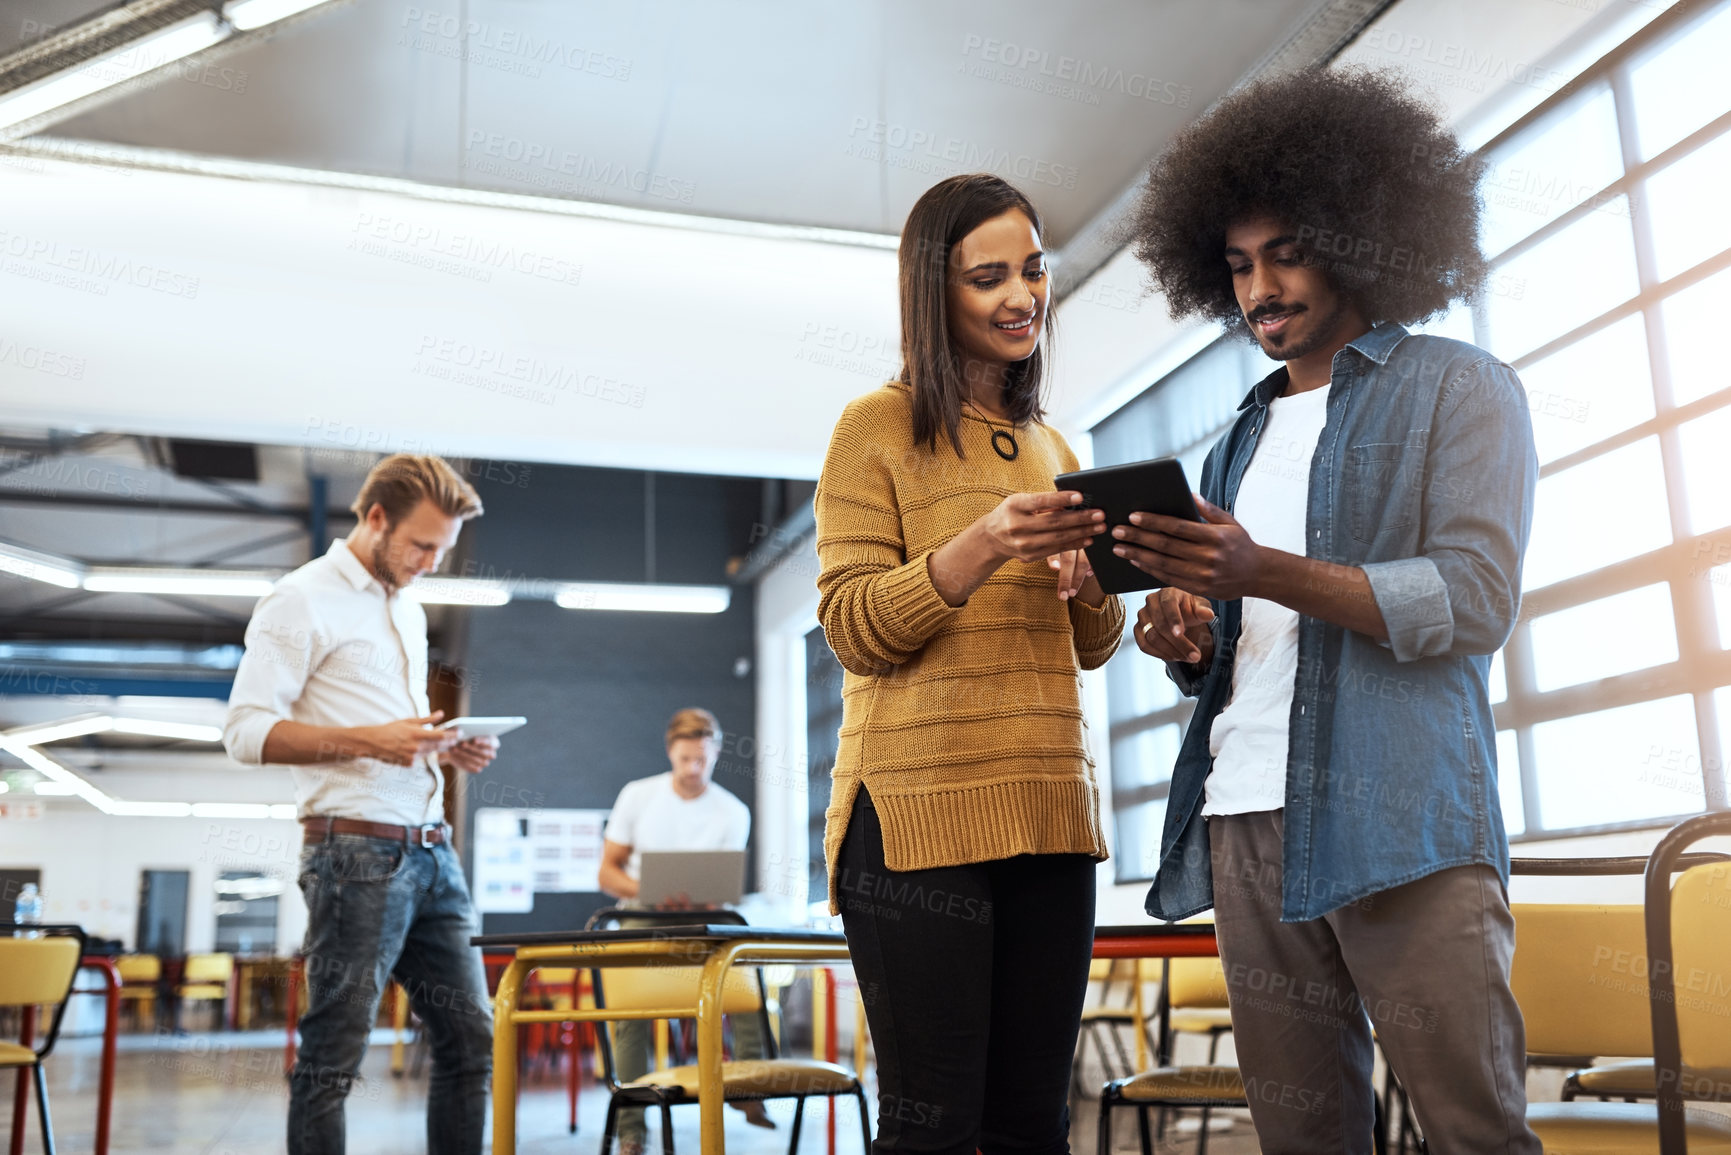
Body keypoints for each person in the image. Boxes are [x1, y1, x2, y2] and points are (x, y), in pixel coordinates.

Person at [1114, 68, 1541, 1153]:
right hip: (1245, 813)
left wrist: (1260, 570)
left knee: (1472, 1132)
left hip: (1402, 820)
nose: (1261, 286)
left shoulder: (1461, 387)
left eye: (1287, 252)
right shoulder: (1239, 436)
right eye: (1239, 265)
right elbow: (1253, 630)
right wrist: (1191, 640)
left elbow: (1475, 598)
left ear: (1363, 234)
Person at [814, 172, 1125, 1153]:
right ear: (932, 294)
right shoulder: (877, 426)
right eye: (988, 276)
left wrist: (1089, 583)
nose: (1020, 295)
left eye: (1032, 270)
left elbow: (1093, 644)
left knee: (1035, 1125)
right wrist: (982, 544)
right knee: (933, 1128)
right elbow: (854, 625)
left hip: (1048, 811)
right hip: (916, 818)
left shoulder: (1052, 444)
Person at [223, 454, 501, 1155]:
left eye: (442, 548)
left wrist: (442, 747)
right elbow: (245, 731)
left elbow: (388, 735)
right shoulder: (300, 598)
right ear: (374, 518)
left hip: (434, 851)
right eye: (422, 544)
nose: (431, 562)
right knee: (333, 1056)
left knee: (471, 1041)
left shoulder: (404, 606)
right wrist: (370, 741)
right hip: (355, 858)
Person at [597, 707, 770, 1147]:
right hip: (643, 912)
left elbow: (726, 885)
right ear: (670, 752)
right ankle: (633, 1130)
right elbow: (607, 874)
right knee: (628, 1016)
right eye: (685, 760)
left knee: (747, 965)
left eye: (702, 761)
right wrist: (649, 890)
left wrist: (710, 899)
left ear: (715, 755)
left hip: (703, 917)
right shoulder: (638, 795)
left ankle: (750, 1088)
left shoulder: (733, 810)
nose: (693, 769)